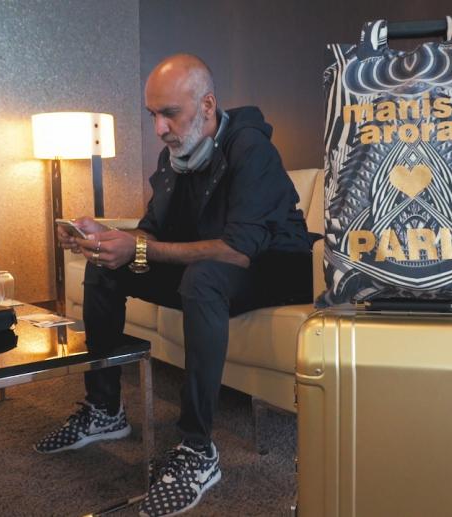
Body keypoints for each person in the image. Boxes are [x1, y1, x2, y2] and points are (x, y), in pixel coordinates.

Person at [34, 53, 314, 516]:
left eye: (169, 114)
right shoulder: (177, 157)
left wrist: (141, 249)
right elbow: (152, 232)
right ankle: (105, 410)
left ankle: (198, 450)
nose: (159, 128)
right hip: (218, 267)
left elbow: (238, 249)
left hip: (277, 267)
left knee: (201, 279)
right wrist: (107, 237)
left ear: (207, 105)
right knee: (105, 266)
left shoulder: (251, 149)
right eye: (153, 115)